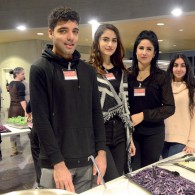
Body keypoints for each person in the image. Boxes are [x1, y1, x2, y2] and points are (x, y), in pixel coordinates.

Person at [29, 7, 106, 193]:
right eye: (63, 31)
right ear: (50, 33)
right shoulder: (40, 69)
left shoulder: (87, 71)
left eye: (75, 31)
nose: (70, 37)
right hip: (56, 166)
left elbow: (96, 113)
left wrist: (101, 153)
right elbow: (41, 120)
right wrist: (58, 163)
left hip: (88, 162)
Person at [89, 24, 135, 181]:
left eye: (114, 40)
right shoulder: (88, 70)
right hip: (101, 134)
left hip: (121, 134)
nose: (110, 44)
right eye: (105, 39)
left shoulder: (121, 71)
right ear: (97, 42)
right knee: (110, 178)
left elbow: (126, 105)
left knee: (119, 179)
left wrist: (131, 139)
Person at [128, 30, 175, 170]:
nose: (144, 52)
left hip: (154, 133)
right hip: (131, 133)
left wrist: (143, 115)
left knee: (148, 173)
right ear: (135, 51)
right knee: (133, 172)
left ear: (154, 53)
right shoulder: (127, 75)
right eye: (141, 48)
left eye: (149, 49)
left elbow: (169, 107)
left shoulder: (162, 77)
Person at [162, 54, 195, 158]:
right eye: (176, 65)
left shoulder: (192, 89)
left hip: (181, 140)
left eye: (183, 65)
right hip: (162, 137)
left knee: (173, 171)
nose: (179, 69)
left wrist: (191, 142)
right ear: (171, 67)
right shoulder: (164, 87)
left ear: (187, 68)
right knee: (163, 171)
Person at [8, 67, 26, 156]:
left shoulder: (11, 83)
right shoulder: (20, 85)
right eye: (23, 74)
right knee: (20, 129)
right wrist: (26, 111)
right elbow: (22, 99)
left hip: (11, 109)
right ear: (17, 74)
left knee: (13, 130)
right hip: (19, 109)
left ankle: (13, 150)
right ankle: (18, 149)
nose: (24, 75)